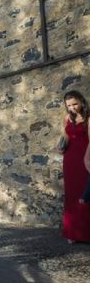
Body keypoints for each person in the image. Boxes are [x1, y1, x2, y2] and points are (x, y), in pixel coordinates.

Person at [59, 90, 90, 243]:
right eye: (69, 105)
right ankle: (71, 232)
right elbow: (65, 136)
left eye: (75, 104)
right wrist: (60, 146)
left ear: (81, 101)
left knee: (85, 194)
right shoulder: (67, 118)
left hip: (85, 157)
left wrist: (87, 159)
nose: (73, 108)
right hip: (70, 159)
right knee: (71, 194)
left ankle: (86, 233)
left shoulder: (88, 117)